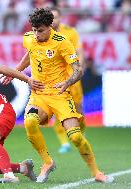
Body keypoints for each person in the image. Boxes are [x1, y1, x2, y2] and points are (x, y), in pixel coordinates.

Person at [0, 7, 114, 183]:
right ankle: (47, 162)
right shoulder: (29, 38)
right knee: (30, 122)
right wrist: (14, 72)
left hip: (60, 95)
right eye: (34, 30)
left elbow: (78, 69)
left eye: (40, 30)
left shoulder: (63, 42)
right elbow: (30, 55)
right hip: (39, 96)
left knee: (76, 137)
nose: (36, 34)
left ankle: (96, 172)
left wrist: (68, 82)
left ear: (50, 26)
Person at [50, 6, 86, 154]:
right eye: (50, 18)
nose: (53, 21)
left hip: (73, 78)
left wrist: (80, 68)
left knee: (78, 110)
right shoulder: (44, 34)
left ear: (61, 18)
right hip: (56, 78)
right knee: (59, 111)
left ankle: (81, 135)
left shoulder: (71, 33)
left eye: (55, 17)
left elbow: (79, 52)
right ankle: (64, 142)